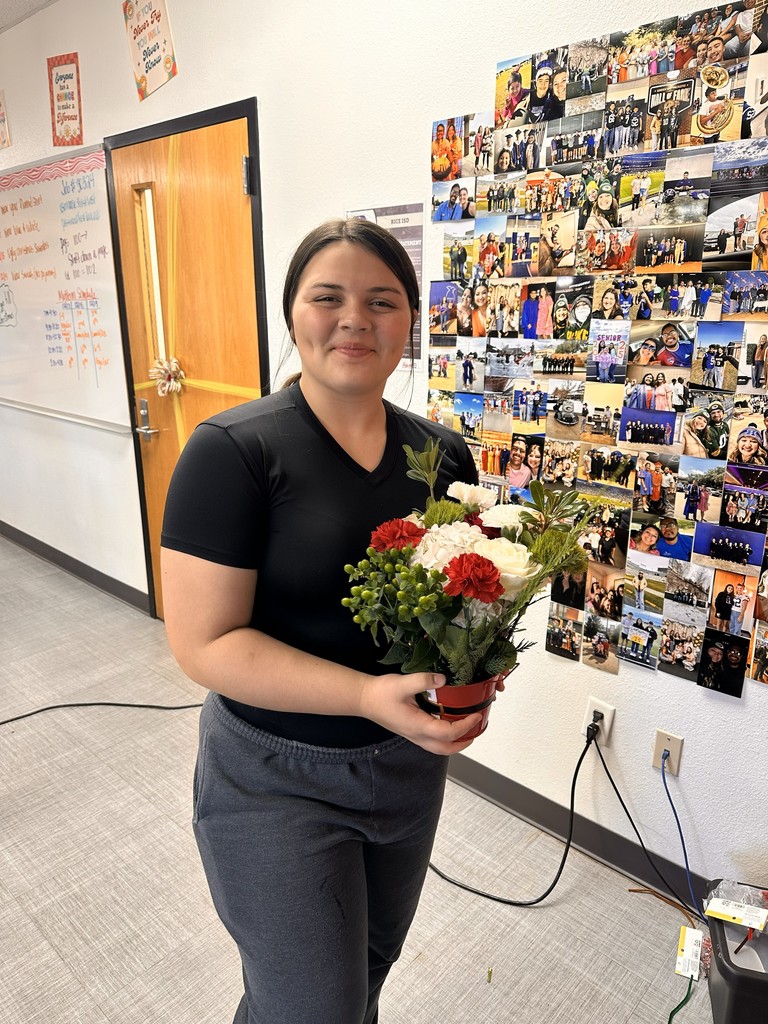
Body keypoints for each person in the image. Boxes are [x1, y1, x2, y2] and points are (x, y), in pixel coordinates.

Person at [161, 219, 483, 1024]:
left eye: (382, 301)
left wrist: (475, 663)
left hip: (406, 768)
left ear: (411, 321)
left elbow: (457, 602)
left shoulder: (444, 459)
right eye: (327, 298)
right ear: (292, 314)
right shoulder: (232, 451)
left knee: (365, 972)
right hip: (275, 776)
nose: (355, 320)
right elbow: (203, 644)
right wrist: (366, 697)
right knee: (309, 1005)